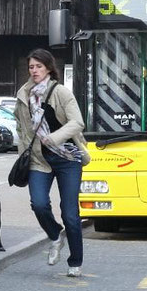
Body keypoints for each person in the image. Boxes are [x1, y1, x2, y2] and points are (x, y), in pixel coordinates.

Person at [13, 48, 90, 277]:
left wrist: (53, 138)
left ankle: (75, 262)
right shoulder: (23, 94)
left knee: (70, 213)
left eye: (38, 66)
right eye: (31, 67)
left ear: (48, 67)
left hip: (68, 158)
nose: (34, 71)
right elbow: (21, 127)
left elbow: (77, 123)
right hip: (39, 158)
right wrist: (22, 153)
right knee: (38, 204)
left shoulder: (61, 92)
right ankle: (56, 236)